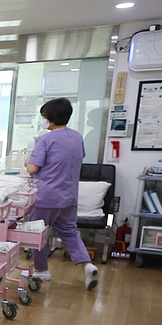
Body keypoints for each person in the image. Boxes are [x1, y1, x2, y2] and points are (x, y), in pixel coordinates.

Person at [25, 97, 100, 290]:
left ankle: (41, 271)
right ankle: (87, 265)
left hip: (45, 197)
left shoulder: (46, 139)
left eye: (43, 116)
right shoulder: (76, 137)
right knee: (70, 232)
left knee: (39, 233)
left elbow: (33, 168)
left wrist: (26, 160)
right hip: (68, 196)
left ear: (49, 118)